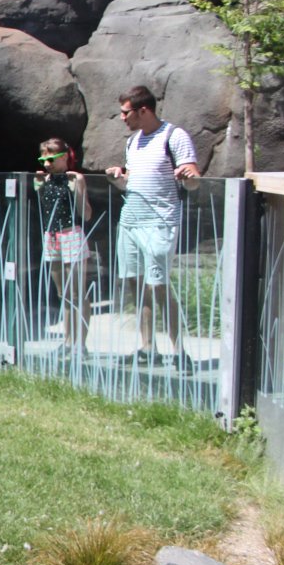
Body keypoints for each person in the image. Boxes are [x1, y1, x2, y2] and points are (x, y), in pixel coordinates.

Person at [104, 85, 200, 373]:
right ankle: (147, 348)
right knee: (136, 282)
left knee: (158, 286)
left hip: (160, 223)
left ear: (143, 110)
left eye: (125, 112)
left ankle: (180, 351)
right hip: (130, 221)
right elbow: (132, 182)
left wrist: (189, 176)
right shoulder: (133, 142)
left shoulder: (174, 136)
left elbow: (193, 180)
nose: (122, 118)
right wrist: (118, 178)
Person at [34, 137, 92, 355]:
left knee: (77, 292)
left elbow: (86, 214)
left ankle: (80, 343)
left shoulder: (75, 178)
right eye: (43, 159)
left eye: (52, 159)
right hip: (51, 237)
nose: (47, 164)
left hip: (72, 235)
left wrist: (77, 188)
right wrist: (39, 186)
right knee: (63, 293)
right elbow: (45, 209)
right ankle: (68, 340)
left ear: (65, 157)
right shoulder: (45, 179)